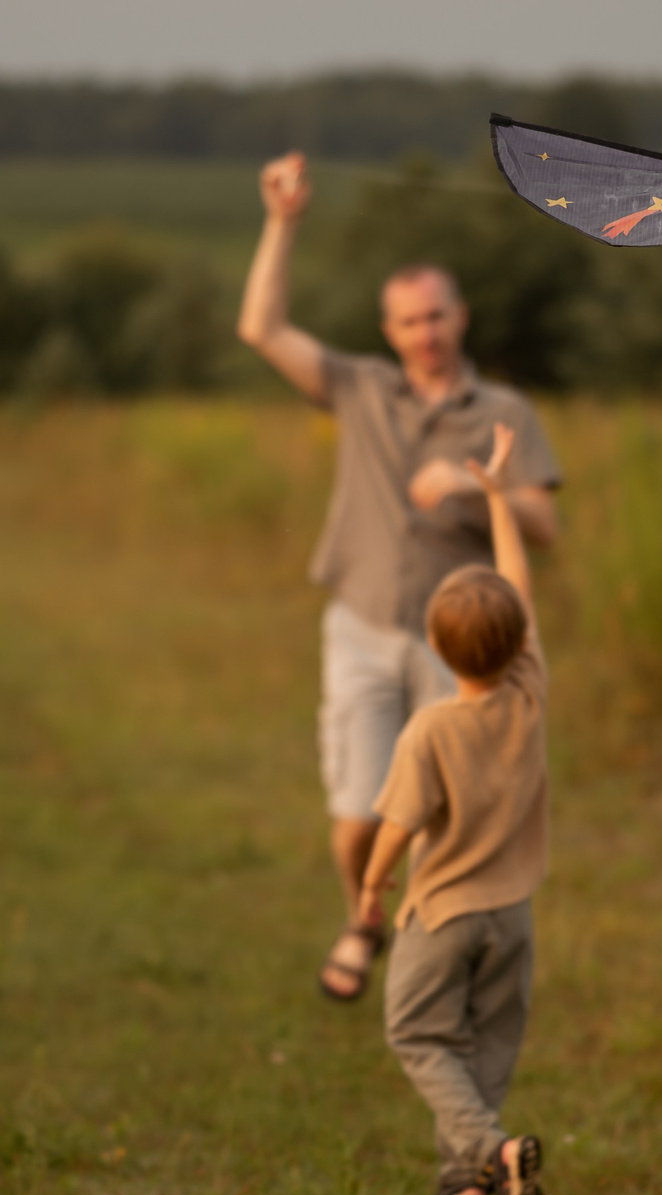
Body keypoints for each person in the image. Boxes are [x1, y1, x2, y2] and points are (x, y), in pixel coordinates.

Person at [236, 150, 562, 1004]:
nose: (425, 332)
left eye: (436, 316)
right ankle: (364, 914)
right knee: (356, 817)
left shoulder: (504, 414)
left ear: (461, 317)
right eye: (409, 321)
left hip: (463, 649)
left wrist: (475, 485)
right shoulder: (359, 388)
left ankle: (423, 959)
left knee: (438, 820)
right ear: (389, 331)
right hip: (362, 626)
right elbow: (262, 331)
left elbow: (545, 525)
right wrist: (282, 221)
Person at [356, 424, 548, 1195]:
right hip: (514, 915)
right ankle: (462, 1181)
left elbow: (397, 825)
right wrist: (499, 495)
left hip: (442, 912)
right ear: (514, 644)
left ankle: (491, 1150)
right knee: (481, 1049)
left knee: (417, 1030)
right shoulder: (530, 691)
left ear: (437, 647)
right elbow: (518, 584)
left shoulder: (431, 729)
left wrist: (370, 889)